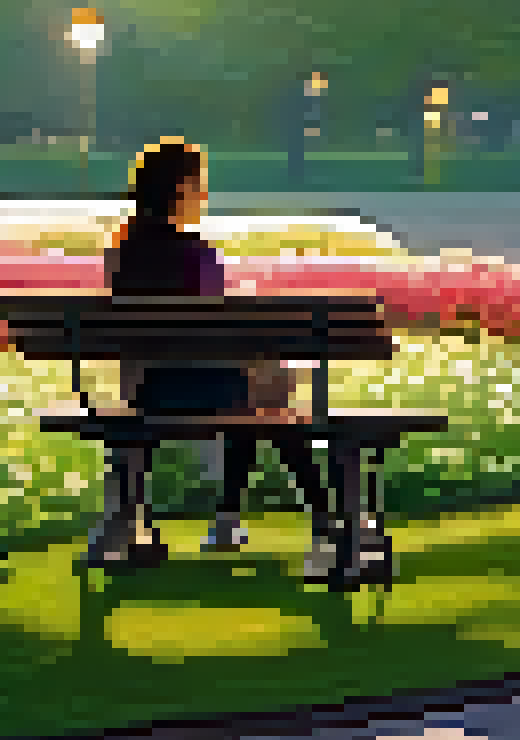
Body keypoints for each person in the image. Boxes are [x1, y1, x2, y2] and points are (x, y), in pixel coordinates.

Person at [86, 137, 342, 573]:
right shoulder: (198, 254)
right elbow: (221, 334)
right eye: (198, 184)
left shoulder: (123, 254)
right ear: (179, 189)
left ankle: (223, 521)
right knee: (271, 397)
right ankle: (317, 520)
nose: (204, 195)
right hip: (203, 390)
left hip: (150, 393)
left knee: (257, 393)